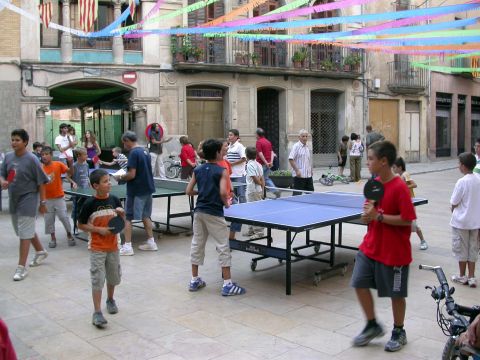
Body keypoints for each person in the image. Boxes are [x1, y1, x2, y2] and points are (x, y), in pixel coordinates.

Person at [351, 141, 416, 353]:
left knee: (396, 295)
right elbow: (369, 215)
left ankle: (399, 330)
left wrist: (378, 216)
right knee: (359, 282)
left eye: (370, 158)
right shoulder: (374, 185)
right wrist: (367, 217)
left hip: (394, 252)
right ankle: (372, 324)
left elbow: (408, 220)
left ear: (383, 161)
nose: (367, 162)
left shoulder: (400, 188)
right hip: (370, 247)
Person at [186, 138, 246, 296]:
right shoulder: (222, 170)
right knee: (223, 246)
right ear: (218, 153)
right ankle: (227, 284)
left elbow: (188, 191)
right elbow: (222, 192)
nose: (224, 152)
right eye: (222, 150)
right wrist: (226, 203)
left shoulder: (198, 169)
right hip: (214, 212)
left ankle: (194, 279)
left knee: (197, 244)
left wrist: (202, 193)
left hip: (199, 212)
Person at [0, 129, 50, 281]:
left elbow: (41, 182)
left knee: (24, 233)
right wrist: (2, 181)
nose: (14, 142)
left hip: (29, 199)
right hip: (13, 199)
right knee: (22, 230)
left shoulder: (32, 159)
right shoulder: (8, 157)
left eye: (17, 140)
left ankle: (21, 268)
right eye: (13, 139)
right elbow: (2, 173)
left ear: (25, 142)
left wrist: (42, 203)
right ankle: (40, 251)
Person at [77, 169, 124, 328]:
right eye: (105, 181)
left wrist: (121, 214)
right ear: (95, 186)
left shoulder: (115, 200)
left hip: (113, 246)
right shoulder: (89, 204)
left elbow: (120, 223)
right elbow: (81, 224)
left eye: (109, 181)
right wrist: (98, 230)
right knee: (98, 279)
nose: (109, 184)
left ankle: (110, 300)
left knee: (113, 277)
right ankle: (97, 312)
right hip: (97, 247)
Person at [115, 131, 157, 256]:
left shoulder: (133, 153)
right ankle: (151, 242)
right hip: (148, 188)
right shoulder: (145, 151)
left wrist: (120, 178)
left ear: (128, 140)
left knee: (128, 217)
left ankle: (127, 246)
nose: (124, 146)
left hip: (136, 190)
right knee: (145, 215)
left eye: (124, 143)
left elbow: (131, 174)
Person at [450, 152, 480, 288]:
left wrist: (453, 208)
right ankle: (472, 277)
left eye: (459, 164)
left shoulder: (462, 182)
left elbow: (454, 202)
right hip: (475, 221)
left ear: (463, 166)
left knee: (461, 249)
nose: (458, 166)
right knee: (472, 249)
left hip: (461, 221)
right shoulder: (478, 179)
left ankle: (462, 276)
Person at [41, 146, 75, 248]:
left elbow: (70, 172)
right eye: (42, 155)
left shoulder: (58, 164)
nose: (44, 156)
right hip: (46, 199)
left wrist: (71, 163)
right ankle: (53, 238)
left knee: (63, 217)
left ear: (51, 155)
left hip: (59, 197)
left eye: (46, 154)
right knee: (49, 220)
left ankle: (69, 234)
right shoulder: (40, 168)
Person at [392, 157, 428, 250]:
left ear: (400, 167)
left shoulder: (405, 174)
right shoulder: (397, 176)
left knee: (414, 225)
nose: (393, 169)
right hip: (402, 203)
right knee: (402, 224)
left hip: (410, 203)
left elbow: (414, 184)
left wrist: (404, 186)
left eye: (395, 167)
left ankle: (423, 241)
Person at [227, 129, 246, 236]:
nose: (229, 137)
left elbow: (244, 158)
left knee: (241, 196)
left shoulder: (240, 146)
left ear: (236, 136)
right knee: (232, 197)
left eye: (231, 135)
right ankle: (236, 217)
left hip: (239, 175)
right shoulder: (229, 146)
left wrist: (232, 164)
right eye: (229, 135)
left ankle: (243, 217)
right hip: (231, 176)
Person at [244, 146, 265, 239]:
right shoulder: (259, 164)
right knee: (250, 210)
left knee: (254, 211)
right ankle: (251, 229)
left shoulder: (250, 165)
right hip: (256, 191)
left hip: (253, 191)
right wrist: (263, 190)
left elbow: (256, 179)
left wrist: (260, 185)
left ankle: (259, 231)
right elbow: (262, 179)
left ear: (246, 155)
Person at [255, 128, 280, 197]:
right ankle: (275, 190)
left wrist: (266, 162)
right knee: (266, 179)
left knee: (258, 180)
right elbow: (272, 152)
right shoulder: (268, 142)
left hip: (261, 164)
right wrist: (270, 162)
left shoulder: (259, 142)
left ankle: (261, 194)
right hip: (268, 164)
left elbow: (260, 154)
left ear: (257, 134)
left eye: (255, 134)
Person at [288, 129, 314, 194]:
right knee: (297, 196)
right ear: (299, 137)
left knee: (311, 195)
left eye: (306, 136)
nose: (305, 138)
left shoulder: (307, 147)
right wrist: (297, 170)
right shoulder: (296, 146)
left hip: (308, 176)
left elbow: (308, 160)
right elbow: (291, 159)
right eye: (303, 136)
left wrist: (310, 170)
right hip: (299, 176)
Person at [70, 147, 90, 220]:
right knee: (76, 207)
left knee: (86, 206)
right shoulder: (74, 166)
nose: (87, 156)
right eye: (85, 154)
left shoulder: (86, 165)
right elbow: (67, 176)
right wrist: (73, 183)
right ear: (78, 156)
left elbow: (87, 176)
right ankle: (75, 222)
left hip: (86, 190)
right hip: (77, 191)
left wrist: (90, 185)